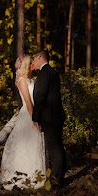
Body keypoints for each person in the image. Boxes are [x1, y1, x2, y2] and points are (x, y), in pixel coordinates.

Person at [0, 54, 46, 190]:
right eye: (30, 63)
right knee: (24, 145)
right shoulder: (21, 81)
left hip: (36, 113)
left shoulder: (33, 80)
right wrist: (34, 119)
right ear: (26, 65)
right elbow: (28, 102)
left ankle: (36, 176)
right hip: (28, 114)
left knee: (35, 145)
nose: (32, 64)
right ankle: (21, 177)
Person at [31, 51, 66, 187]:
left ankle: (55, 181)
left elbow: (40, 96)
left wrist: (35, 117)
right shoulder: (53, 72)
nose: (34, 60)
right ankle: (60, 177)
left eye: (35, 57)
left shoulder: (44, 73)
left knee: (55, 149)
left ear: (40, 57)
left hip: (50, 117)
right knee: (59, 147)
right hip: (57, 115)